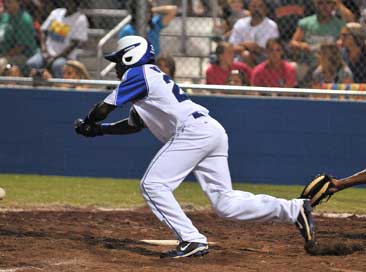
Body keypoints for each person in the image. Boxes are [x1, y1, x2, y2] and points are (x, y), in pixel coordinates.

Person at [74, 35, 316, 258]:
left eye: (118, 61)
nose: (116, 68)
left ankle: (192, 240)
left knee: (153, 185)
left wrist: (88, 122)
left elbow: (103, 108)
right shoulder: (148, 79)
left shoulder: (138, 74)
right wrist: (100, 130)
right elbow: (134, 125)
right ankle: (294, 209)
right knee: (226, 204)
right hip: (210, 131)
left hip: (192, 133)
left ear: (130, 57)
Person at [289, 0, 355, 85]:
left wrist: (338, 43)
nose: (325, 6)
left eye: (328, 3)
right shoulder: (306, 23)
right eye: (321, 3)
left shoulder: (339, 24)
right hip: (308, 63)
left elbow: (352, 22)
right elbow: (293, 43)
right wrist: (303, 46)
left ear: (333, 5)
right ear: (316, 5)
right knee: (292, 67)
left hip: (331, 65)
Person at [26, 0, 88, 78]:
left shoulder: (80, 19)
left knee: (58, 65)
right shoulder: (56, 12)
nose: (67, 3)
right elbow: (43, 31)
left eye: (71, 2)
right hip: (47, 53)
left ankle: (59, 88)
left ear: (76, 3)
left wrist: (55, 58)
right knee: (32, 63)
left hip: (65, 57)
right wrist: (44, 51)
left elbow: (74, 44)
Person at [229, 0, 279, 67]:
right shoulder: (240, 23)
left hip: (263, 60)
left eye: (260, 6)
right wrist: (246, 45)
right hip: (240, 58)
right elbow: (231, 47)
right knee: (244, 54)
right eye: (253, 6)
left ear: (265, 9)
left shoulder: (271, 26)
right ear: (249, 8)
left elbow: (270, 50)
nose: (256, 9)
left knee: (246, 55)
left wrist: (244, 46)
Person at [0, 0, 38, 74]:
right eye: (4, 2)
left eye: (9, 2)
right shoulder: (5, 16)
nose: (5, 4)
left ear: (17, 3)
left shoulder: (24, 19)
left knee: (3, 62)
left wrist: (4, 55)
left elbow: (20, 47)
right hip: (1, 53)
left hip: (23, 55)